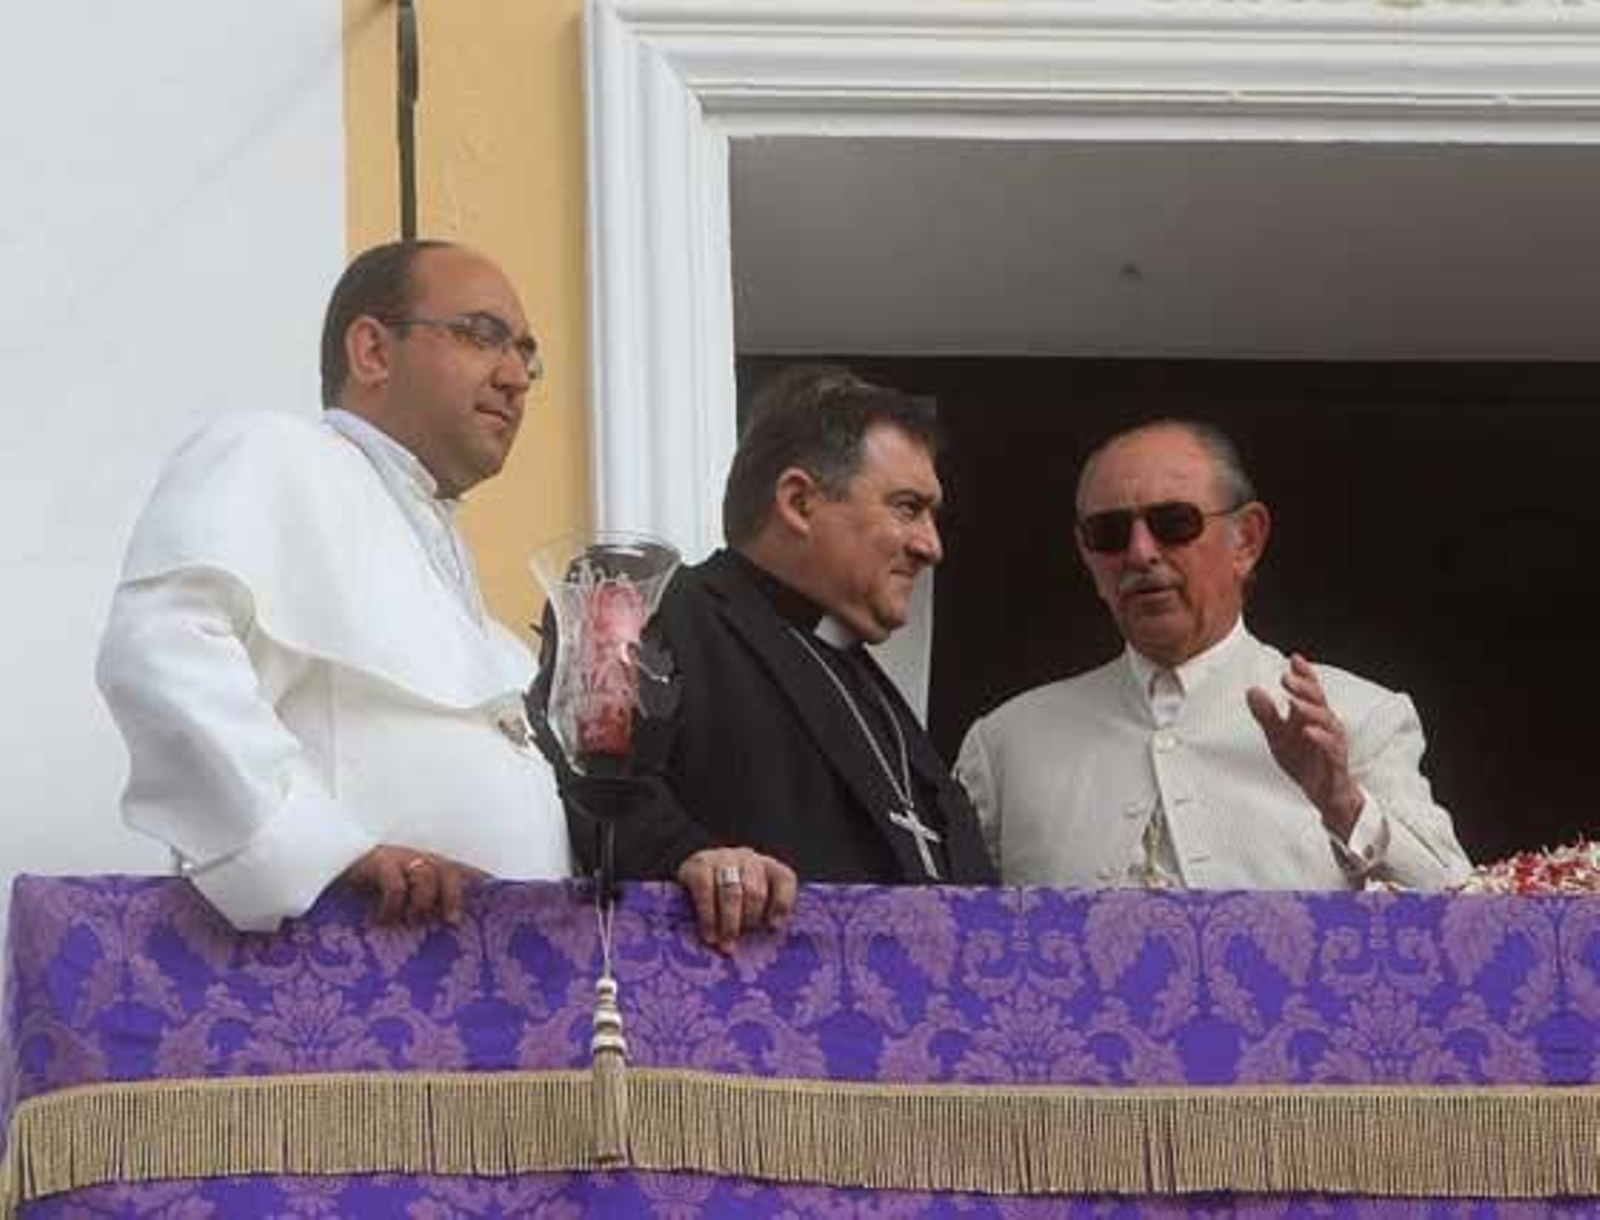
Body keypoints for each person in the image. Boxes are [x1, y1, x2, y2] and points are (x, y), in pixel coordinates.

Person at [96, 240, 569, 932]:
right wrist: (323, 848)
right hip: (331, 973)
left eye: (525, 354)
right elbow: (163, 654)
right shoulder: (271, 454)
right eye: (483, 335)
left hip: (504, 1007)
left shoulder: (483, 623)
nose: (515, 377)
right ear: (373, 351)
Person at [956, 419, 1471, 891]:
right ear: (1087, 557)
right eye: (1109, 534)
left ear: (1245, 540)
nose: (1140, 553)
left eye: (1173, 522)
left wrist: (1343, 804)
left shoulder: (1359, 716)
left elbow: (1466, 914)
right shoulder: (1006, 744)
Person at [584, 366, 997, 951]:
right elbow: (597, 796)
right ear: (799, 501)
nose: (931, 545)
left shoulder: (874, 693)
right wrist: (691, 858)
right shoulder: (648, 608)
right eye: (908, 508)